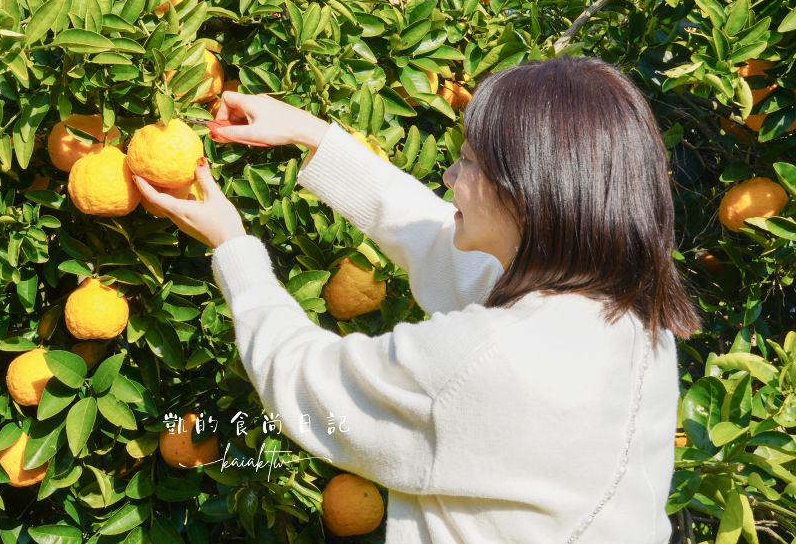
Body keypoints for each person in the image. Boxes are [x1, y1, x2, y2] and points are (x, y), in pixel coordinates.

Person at [132, 56, 702, 544]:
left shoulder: (488, 361)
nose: (450, 176)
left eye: (469, 161)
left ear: (527, 190)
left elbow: (303, 382)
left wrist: (232, 246)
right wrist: (314, 136)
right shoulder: (631, 324)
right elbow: (436, 238)